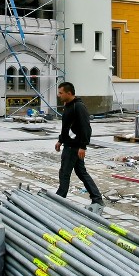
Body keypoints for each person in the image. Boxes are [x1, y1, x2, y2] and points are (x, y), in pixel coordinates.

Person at [55, 82, 104, 212]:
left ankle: (60, 198)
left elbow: (86, 128)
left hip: (74, 147)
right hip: (69, 144)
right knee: (81, 172)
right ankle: (97, 198)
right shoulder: (68, 106)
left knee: (64, 173)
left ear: (69, 93)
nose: (58, 95)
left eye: (61, 93)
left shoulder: (79, 107)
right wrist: (60, 140)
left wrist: (83, 146)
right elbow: (66, 126)